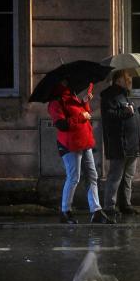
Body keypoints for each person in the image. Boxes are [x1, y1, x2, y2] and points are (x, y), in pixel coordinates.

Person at [47, 81, 112, 224]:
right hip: (69, 144)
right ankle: (65, 211)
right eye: (66, 81)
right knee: (74, 177)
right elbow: (62, 125)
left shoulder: (73, 96)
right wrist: (81, 116)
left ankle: (96, 211)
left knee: (92, 175)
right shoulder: (56, 102)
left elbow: (83, 114)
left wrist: (85, 103)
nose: (70, 83)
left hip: (84, 141)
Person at [100, 70, 140, 220]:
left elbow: (133, 115)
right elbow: (109, 117)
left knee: (128, 176)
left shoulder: (126, 95)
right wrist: (126, 112)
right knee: (115, 176)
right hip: (119, 143)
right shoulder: (109, 96)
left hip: (132, 144)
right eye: (127, 78)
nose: (130, 80)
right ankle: (109, 207)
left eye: (130, 78)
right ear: (118, 80)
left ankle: (125, 204)